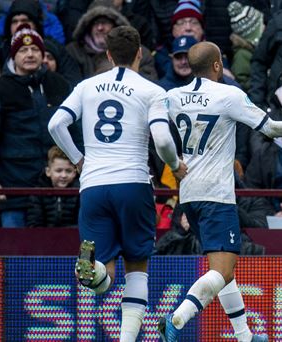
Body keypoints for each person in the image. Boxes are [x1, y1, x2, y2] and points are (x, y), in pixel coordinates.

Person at [157, 41, 282, 342]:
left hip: (189, 193)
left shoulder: (171, 96)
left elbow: (159, 135)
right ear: (218, 66)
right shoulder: (228, 94)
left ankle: (244, 335)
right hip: (216, 196)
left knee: (222, 269)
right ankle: (178, 316)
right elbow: (271, 128)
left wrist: (172, 162)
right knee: (222, 270)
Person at [47, 26, 186, 341]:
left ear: (108, 55)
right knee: (137, 266)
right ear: (140, 53)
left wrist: (78, 160)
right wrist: (175, 166)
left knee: (105, 274)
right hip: (133, 183)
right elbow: (162, 139)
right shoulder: (152, 90)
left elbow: (56, 123)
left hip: (94, 185)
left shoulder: (86, 86)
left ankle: (92, 271)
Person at [0, 24, 76, 228]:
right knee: (17, 256)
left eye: (35, 49)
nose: (30, 54)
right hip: (15, 191)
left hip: (59, 192)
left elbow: (76, 130)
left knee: (66, 256)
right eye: (23, 50)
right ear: (13, 56)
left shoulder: (60, 84)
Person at [26, 146, 79, 227]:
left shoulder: (80, 192)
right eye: (59, 170)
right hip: (44, 238)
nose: (63, 175)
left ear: (75, 172)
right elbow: (34, 224)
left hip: (72, 238)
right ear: (48, 171)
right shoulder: (38, 193)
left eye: (68, 171)